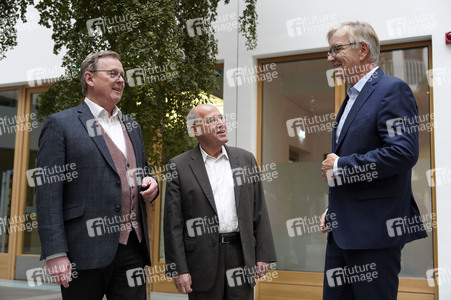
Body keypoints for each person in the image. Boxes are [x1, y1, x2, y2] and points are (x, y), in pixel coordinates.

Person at [35, 50, 159, 300]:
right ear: (89, 78)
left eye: (122, 75)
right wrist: (55, 252)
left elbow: (139, 169)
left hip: (132, 247)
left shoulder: (132, 127)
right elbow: (48, 194)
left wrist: (151, 182)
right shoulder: (61, 124)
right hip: (83, 249)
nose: (121, 80)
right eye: (113, 73)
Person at [319, 21, 428, 299]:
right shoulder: (350, 99)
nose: (329, 58)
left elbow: (402, 152)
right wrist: (335, 208)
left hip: (375, 235)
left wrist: (341, 166)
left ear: (363, 50)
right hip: (342, 232)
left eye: (336, 49)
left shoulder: (392, 90)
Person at [163, 104, 276, 300]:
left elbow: (259, 209)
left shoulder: (245, 159)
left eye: (221, 118)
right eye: (212, 120)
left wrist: (263, 254)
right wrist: (179, 269)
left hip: (240, 255)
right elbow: (173, 223)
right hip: (201, 260)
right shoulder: (178, 166)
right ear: (195, 130)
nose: (221, 123)